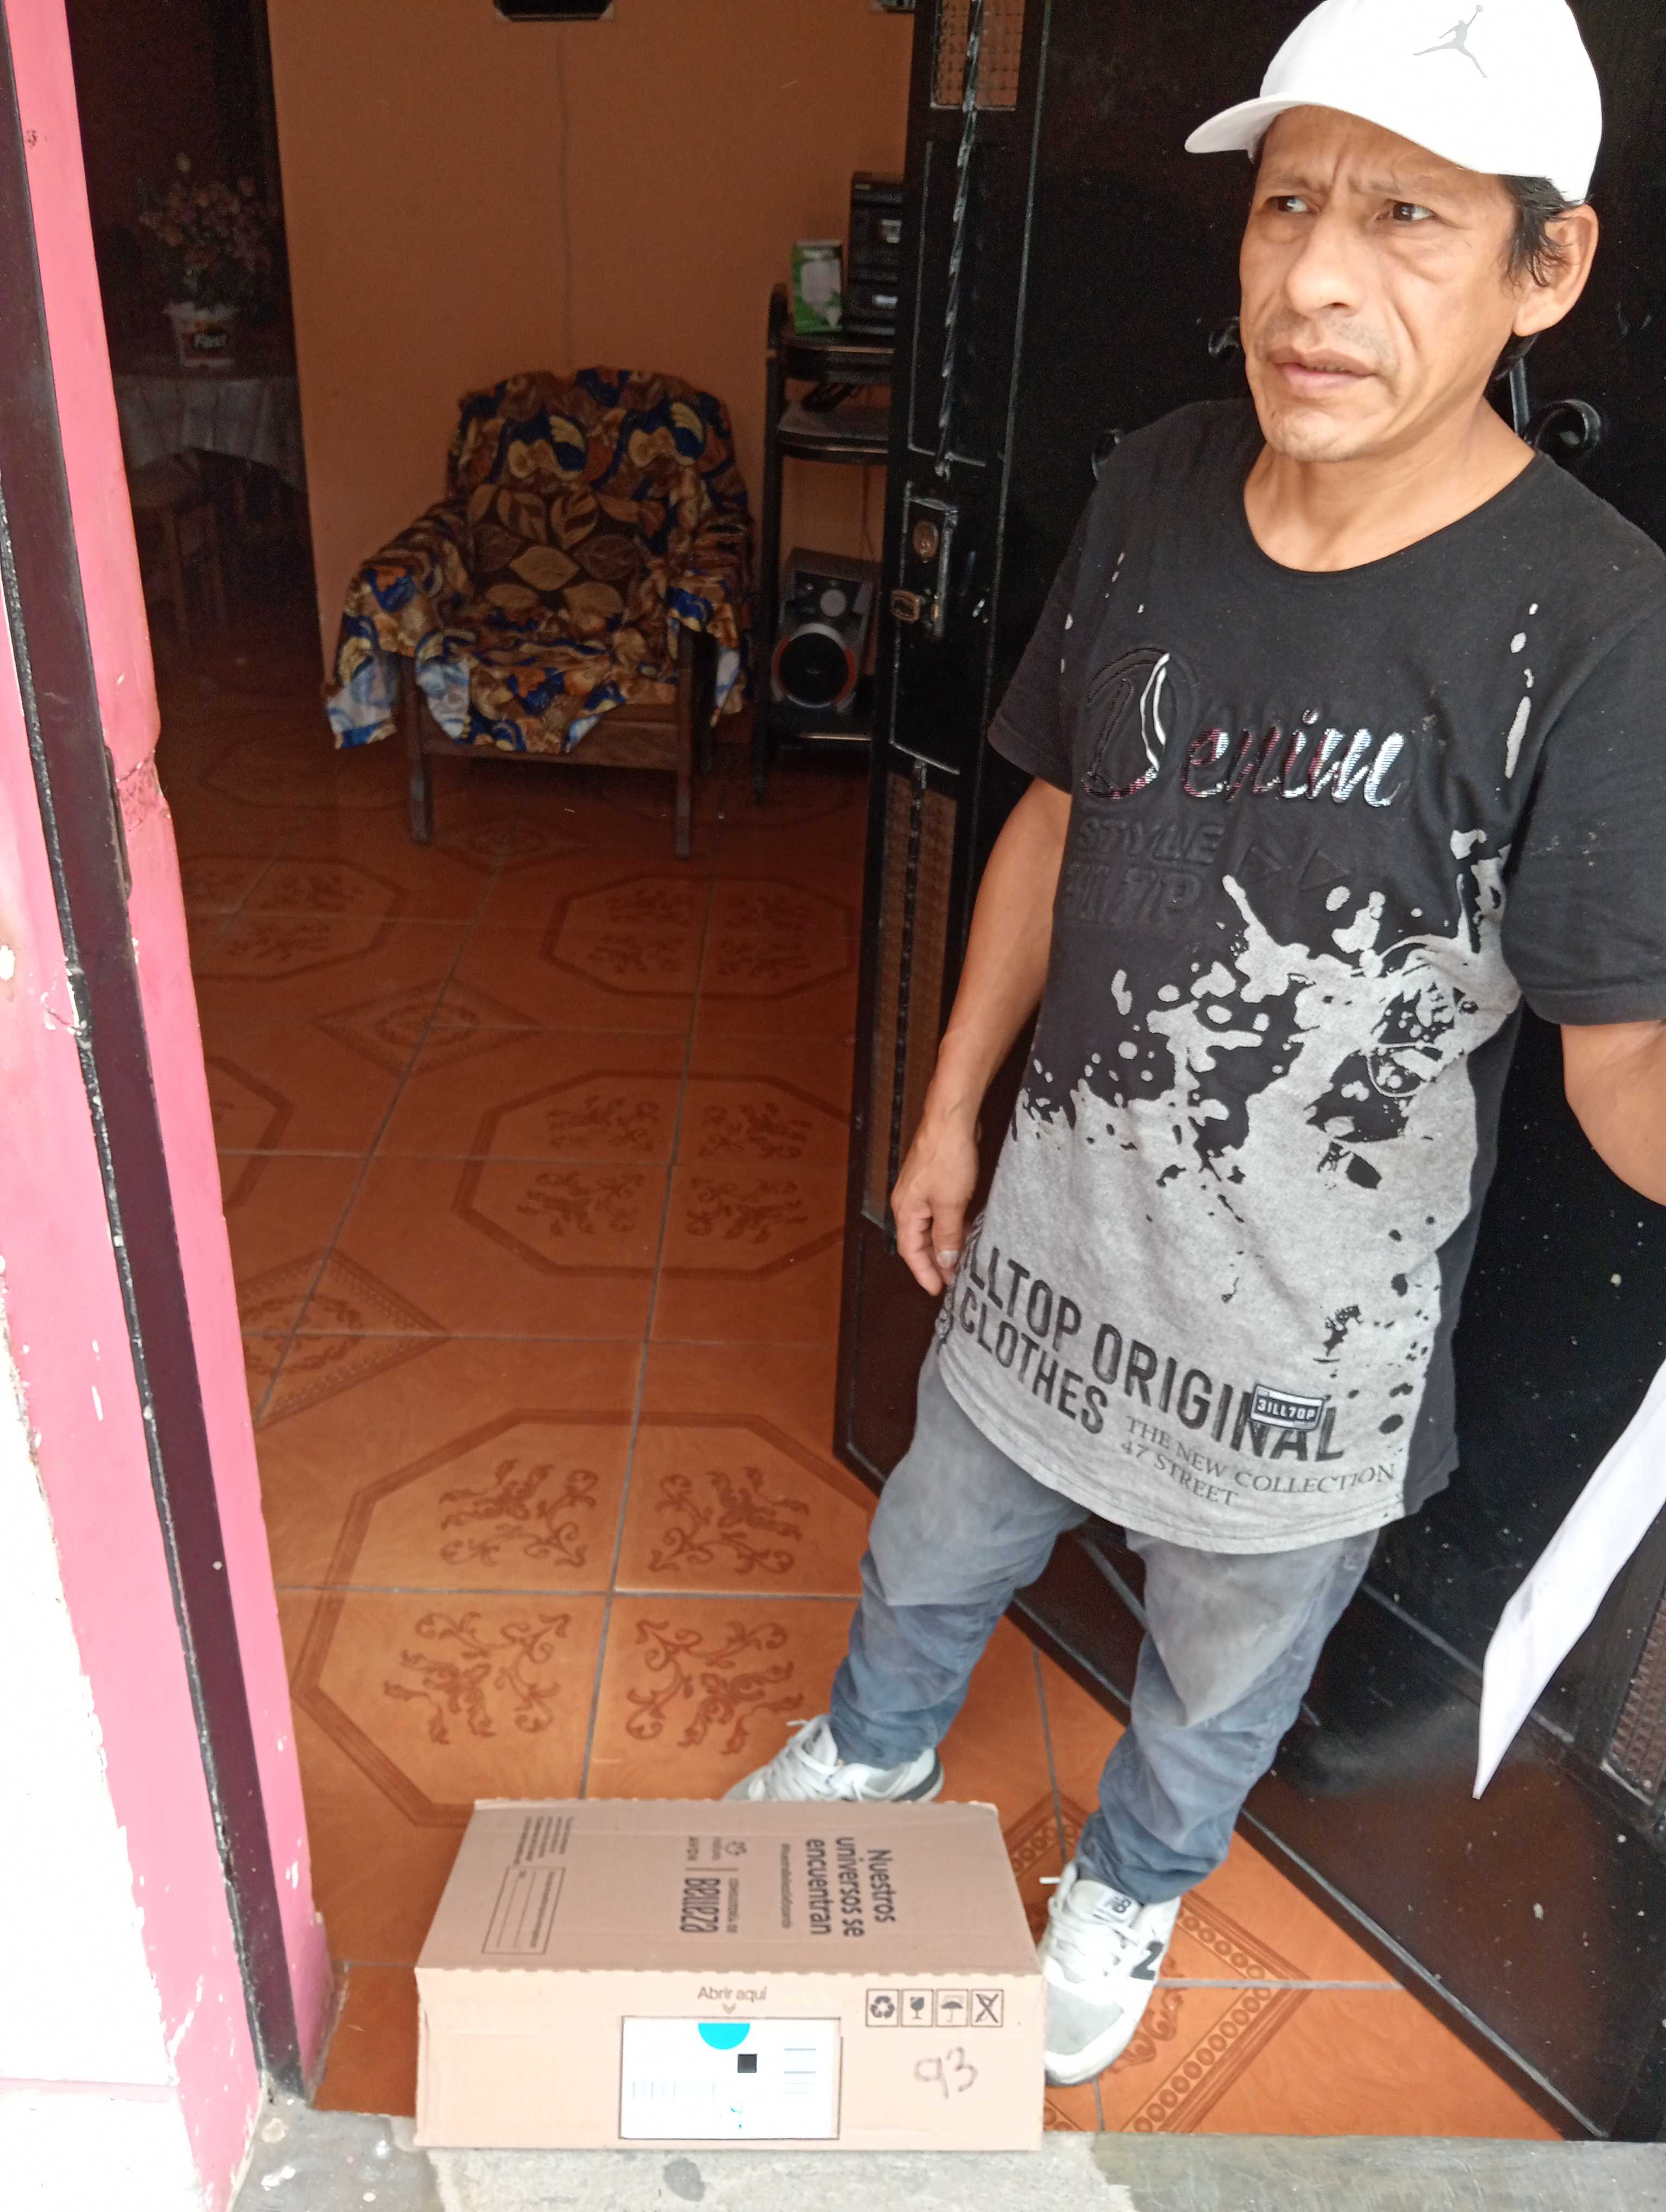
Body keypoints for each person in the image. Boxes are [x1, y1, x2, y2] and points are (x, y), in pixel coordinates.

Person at [728, 0, 1666, 2089]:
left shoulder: (1601, 626)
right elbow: (1055, 813)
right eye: (1288, 205)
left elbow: (1621, 1063)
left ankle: (1134, 1885)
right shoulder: (1160, 483)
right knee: (931, 1549)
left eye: (1409, 219)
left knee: (1222, 1683)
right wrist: (949, 1111)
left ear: (1547, 268)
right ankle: (874, 1755)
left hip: (1303, 1363)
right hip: (1052, 1262)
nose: (1315, 280)